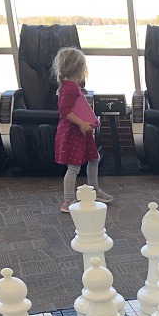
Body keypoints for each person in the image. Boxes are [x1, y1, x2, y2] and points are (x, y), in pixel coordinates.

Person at [52, 47, 114, 213]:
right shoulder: (70, 87)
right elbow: (64, 111)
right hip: (74, 132)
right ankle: (68, 200)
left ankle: (94, 190)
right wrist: (81, 123)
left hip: (78, 132)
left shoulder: (68, 86)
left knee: (94, 158)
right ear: (79, 69)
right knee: (73, 167)